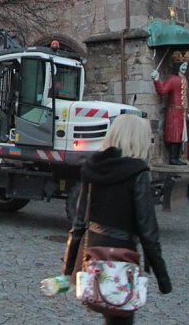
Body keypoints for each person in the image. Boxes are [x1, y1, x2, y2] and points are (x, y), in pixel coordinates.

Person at [62, 114, 172, 325]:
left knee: (109, 314)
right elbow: (148, 231)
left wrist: (68, 271)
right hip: (123, 256)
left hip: (93, 253)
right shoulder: (138, 173)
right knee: (120, 316)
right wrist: (163, 278)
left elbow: (78, 225)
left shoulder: (93, 169)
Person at [151, 56, 189, 166]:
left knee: (181, 136)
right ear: (178, 66)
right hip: (174, 112)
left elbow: (186, 97)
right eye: (183, 66)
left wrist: (187, 113)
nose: (185, 68)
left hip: (181, 113)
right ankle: (173, 158)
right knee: (175, 135)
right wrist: (156, 80)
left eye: (186, 66)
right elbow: (162, 91)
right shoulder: (173, 79)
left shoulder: (184, 79)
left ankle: (177, 157)